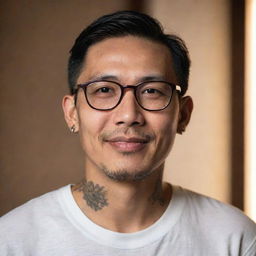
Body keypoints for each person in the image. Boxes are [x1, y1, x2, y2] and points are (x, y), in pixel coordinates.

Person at [0, 10, 256, 256]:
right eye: (104, 90)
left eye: (152, 91)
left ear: (183, 115)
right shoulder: (13, 240)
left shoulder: (233, 239)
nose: (129, 115)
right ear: (72, 113)